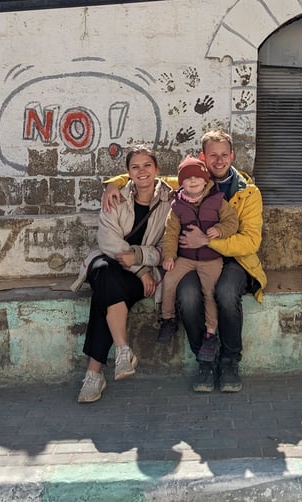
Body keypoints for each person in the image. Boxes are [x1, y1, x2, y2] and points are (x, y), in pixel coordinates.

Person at [103, 129, 266, 394]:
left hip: (234, 260)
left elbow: (249, 242)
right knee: (187, 294)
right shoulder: (192, 179)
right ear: (204, 157)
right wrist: (113, 183)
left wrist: (208, 241)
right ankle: (205, 359)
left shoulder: (248, 193)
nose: (219, 160)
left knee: (224, 293)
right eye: (213, 155)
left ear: (232, 156)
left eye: (225, 154)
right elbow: (147, 176)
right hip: (191, 258)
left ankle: (229, 360)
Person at [71, 145, 173, 403]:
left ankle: (94, 374)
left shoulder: (170, 201)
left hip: (142, 272)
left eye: (147, 165)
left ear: (157, 169)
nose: (142, 172)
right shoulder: (115, 197)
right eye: (135, 167)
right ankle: (121, 349)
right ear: (127, 173)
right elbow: (107, 240)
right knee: (104, 272)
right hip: (113, 265)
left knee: (104, 295)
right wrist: (139, 270)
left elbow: (167, 248)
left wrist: (138, 258)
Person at [158, 155, 239, 367]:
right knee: (169, 282)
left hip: (211, 260)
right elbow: (171, 234)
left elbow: (232, 221)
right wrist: (169, 256)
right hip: (185, 258)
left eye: (197, 177)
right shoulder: (177, 206)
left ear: (206, 180)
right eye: (187, 178)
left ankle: (210, 333)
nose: (193, 181)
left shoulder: (217, 200)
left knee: (209, 293)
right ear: (180, 182)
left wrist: (219, 230)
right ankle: (168, 319)